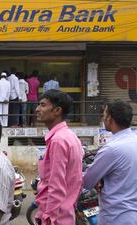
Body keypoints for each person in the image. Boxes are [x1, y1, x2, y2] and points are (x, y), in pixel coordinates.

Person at [83, 100, 137, 225]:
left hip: (117, 217)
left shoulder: (111, 148)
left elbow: (87, 181)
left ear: (110, 118)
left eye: (104, 114)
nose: (103, 118)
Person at [34, 90, 83, 225]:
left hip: (56, 218)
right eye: (38, 105)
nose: (37, 109)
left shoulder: (58, 141)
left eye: (43, 105)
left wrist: (49, 217)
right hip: (65, 214)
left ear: (57, 110)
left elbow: (56, 185)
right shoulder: (70, 137)